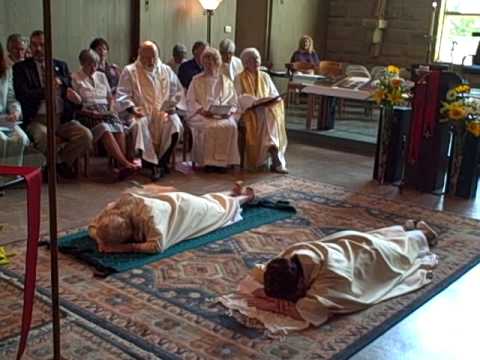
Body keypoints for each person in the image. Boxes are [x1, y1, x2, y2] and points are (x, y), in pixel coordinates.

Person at [247, 221, 439, 325]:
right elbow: (256, 286)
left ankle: (422, 235)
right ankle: (406, 230)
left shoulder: (330, 282)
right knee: (380, 240)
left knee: (401, 255)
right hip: (349, 246)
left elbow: (309, 313)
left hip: (368, 259)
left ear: (299, 285)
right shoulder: (287, 259)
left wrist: (271, 305)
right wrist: (269, 297)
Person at [89, 182, 255, 253]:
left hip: (185, 209)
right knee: (208, 200)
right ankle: (231, 192)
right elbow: (92, 227)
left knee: (219, 211)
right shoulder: (113, 211)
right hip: (174, 202)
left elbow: (157, 246)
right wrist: (101, 241)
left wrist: (122, 248)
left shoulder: (149, 219)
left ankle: (245, 197)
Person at [13, 30, 92, 178]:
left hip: (61, 118)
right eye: (35, 45)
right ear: (30, 46)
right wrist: (46, 90)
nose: (38, 49)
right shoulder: (21, 68)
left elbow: (68, 85)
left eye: (42, 45)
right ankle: (56, 165)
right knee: (44, 137)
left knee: (86, 135)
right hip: (37, 119)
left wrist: (63, 85)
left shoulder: (60, 65)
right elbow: (23, 95)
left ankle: (58, 162)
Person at [115, 41, 184, 180]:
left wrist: (173, 106)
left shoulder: (166, 70)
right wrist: (132, 108)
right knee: (140, 125)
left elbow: (178, 91)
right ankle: (151, 163)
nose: (151, 60)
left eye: (154, 56)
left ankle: (162, 163)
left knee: (175, 124)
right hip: (140, 113)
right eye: (147, 57)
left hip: (162, 112)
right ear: (139, 55)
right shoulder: (130, 71)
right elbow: (122, 94)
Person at [72, 49, 139, 177]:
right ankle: (125, 164)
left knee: (119, 126)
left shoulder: (101, 76)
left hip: (105, 112)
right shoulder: (75, 77)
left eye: (95, 64)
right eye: (89, 64)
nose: (93, 67)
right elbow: (75, 106)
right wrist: (93, 113)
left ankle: (120, 166)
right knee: (105, 128)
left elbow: (110, 97)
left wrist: (111, 110)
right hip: (88, 115)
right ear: (82, 63)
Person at [186, 47, 240, 171]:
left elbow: (233, 101)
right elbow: (190, 100)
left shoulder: (226, 81)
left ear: (217, 63)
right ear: (202, 63)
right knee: (210, 127)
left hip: (222, 115)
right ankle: (208, 162)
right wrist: (202, 110)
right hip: (201, 114)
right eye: (206, 62)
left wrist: (229, 112)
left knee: (230, 126)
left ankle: (224, 163)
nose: (209, 65)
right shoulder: (196, 80)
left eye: (212, 62)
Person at [234, 48, 288, 173]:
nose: (258, 61)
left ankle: (273, 150)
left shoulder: (265, 76)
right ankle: (273, 152)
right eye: (254, 59)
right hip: (250, 111)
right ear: (246, 62)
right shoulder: (239, 78)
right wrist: (254, 101)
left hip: (266, 110)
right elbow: (238, 97)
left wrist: (275, 100)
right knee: (266, 118)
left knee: (270, 117)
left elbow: (274, 93)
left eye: (258, 58)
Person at [0, 41, 29, 169]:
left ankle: (9, 179)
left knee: (20, 138)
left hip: (4, 119)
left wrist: (15, 112)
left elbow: (11, 98)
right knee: (2, 140)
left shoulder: (6, 72)